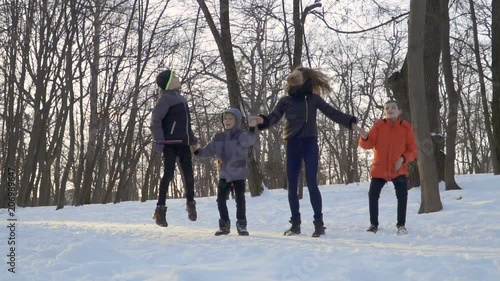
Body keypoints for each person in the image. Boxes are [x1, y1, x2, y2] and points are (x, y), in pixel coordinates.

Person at [254, 67, 366, 237]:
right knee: (292, 185)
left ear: (304, 78)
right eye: (291, 76)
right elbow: (273, 118)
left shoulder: (313, 99)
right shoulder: (285, 101)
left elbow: (333, 114)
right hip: (292, 143)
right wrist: (261, 120)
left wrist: (354, 125)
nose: (292, 77)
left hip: (309, 143)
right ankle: (295, 224)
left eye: (296, 75)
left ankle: (319, 224)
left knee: (312, 184)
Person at [191, 108, 259, 236]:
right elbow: (208, 151)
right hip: (225, 173)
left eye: (230, 118)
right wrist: (196, 151)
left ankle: (241, 224)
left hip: (238, 173)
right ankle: (224, 225)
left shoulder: (241, 134)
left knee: (240, 199)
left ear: (237, 120)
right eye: (225, 118)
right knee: (221, 200)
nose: (226, 121)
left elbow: (249, 140)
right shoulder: (218, 137)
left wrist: (251, 128)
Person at [358, 100, 418, 235]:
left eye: (393, 107)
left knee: (402, 195)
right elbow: (368, 144)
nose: (390, 110)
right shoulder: (379, 126)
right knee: (373, 195)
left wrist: (403, 159)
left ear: (399, 111)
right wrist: (364, 136)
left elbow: (413, 150)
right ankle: (373, 224)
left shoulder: (406, 128)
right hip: (380, 169)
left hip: (398, 169)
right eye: (387, 108)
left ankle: (401, 225)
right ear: (384, 112)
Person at [150, 69, 198, 227]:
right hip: (170, 144)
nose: (178, 78)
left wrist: (191, 138)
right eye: (175, 76)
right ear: (170, 82)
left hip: (183, 143)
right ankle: (160, 210)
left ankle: (191, 204)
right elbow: (155, 121)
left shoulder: (181, 99)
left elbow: (186, 124)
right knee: (168, 175)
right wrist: (159, 142)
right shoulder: (165, 99)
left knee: (189, 176)